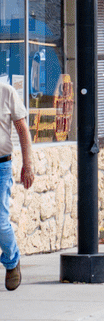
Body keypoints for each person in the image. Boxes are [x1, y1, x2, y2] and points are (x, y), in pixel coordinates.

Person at [1, 79, 35, 290]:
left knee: (0, 221)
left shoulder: (6, 91)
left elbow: (23, 130)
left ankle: (12, 261)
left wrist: (28, 165)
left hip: (1, 166)